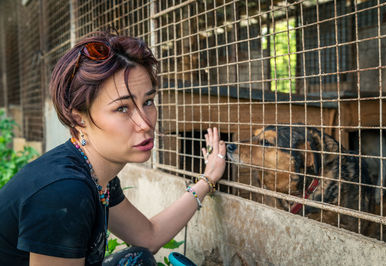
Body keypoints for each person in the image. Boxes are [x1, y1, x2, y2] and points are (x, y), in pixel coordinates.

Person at [0, 32, 226, 265]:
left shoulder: (94, 174)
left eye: (148, 102)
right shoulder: (64, 191)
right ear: (79, 119)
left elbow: (148, 236)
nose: (145, 123)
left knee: (138, 258)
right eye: (122, 108)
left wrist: (208, 178)